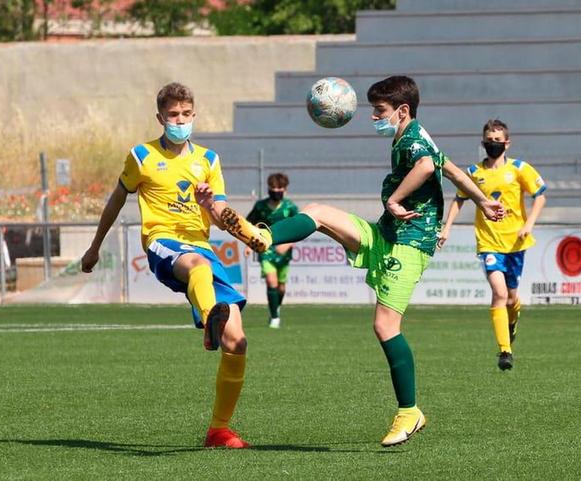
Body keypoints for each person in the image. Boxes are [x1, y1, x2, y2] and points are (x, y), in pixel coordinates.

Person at [209, 76, 505, 447]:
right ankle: (264, 237)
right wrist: (482, 200)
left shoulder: (414, 139)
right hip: (386, 234)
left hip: (410, 244)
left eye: (378, 111)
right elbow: (452, 168)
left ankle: (409, 411)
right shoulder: (415, 133)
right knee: (317, 212)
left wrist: (396, 200)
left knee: (385, 325)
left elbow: (429, 167)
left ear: (402, 111)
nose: (373, 118)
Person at [80, 82, 251, 449]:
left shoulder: (208, 160)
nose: (180, 120)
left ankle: (218, 431)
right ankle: (210, 319)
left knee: (237, 342)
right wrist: (94, 247)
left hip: (202, 246)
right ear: (160, 117)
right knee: (197, 268)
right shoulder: (141, 156)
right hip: (163, 244)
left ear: (194, 115)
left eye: (186, 114)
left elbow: (222, 219)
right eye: (173, 115)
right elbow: (115, 201)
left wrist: (208, 203)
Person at [438, 119, 547, 371]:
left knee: (510, 298)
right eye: (489, 140)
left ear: (506, 143)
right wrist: (447, 227)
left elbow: (540, 196)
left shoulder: (520, 169)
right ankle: (504, 351)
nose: (493, 144)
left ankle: (512, 321)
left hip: (515, 243)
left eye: (497, 141)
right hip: (488, 242)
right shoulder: (474, 173)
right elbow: (459, 199)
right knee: (498, 293)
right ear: (483, 142)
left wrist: (529, 223)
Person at [244, 173, 299, 328]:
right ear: (268, 189)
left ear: (285, 189)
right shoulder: (260, 207)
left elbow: (298, 229)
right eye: (273, 188)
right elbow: (250, 225)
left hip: (284, 251)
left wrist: (287, 245)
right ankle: (274, 318)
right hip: (266, 248)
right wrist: (249, 244)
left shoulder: (290, 208)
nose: (276, 191)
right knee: (271, 281)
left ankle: (276, 307)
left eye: (279, 188)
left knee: (281, 287)